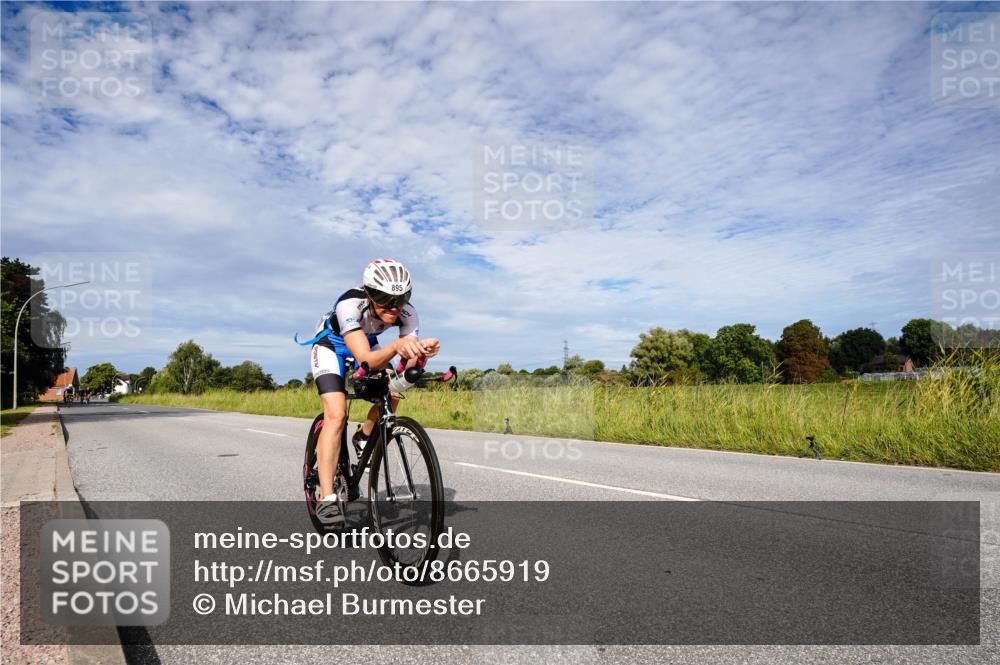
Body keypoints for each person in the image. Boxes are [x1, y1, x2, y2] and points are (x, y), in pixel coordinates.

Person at [297, 259, 439, 527]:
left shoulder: (407, 313)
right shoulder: (349, 304)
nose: (394, 307)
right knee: (336, 415)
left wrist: (420, 354)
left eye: (401, 298)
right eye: (385, 299)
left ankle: (363, 437)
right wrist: (398, 344)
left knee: (394, 392)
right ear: (370, 294)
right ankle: (327, 497)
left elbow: (405, 372)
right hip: (331, 346)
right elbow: (365, 359)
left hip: (367, 344)